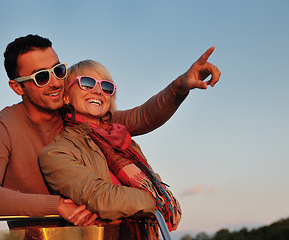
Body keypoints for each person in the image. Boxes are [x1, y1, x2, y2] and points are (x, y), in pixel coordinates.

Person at [0, 34, 221, 228]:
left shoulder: (85, 122)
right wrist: (55, 206)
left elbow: (142, 116)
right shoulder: (5, 126)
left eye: (58, 71)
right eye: (41, 77)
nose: (54, 82)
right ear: (17, 87)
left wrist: (181, 85)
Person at [39, 60, 182, 239]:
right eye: (87, 83)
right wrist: (159, 200)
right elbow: (103, 199)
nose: (98, 91)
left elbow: (153, 184)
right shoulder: (57, 152)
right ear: (66, 96)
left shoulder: (127, 143)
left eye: (106, 87)